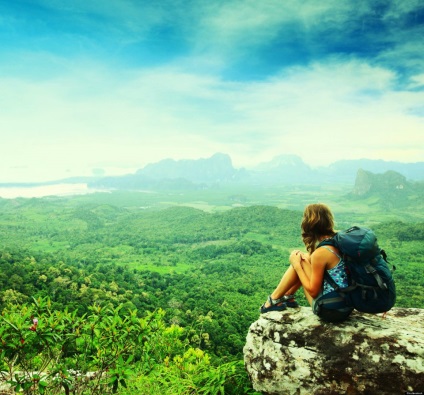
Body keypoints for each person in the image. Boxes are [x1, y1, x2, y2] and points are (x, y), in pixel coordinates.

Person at [260, 203, 353, 322]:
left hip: (330, 311)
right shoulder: (339, 241)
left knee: (300, 259)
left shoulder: (322, 252)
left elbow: (313, 292)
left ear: (310, 224)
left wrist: (297, 265)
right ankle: (288, 296)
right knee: (305, 257)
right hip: (345, 305)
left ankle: (272, 301)